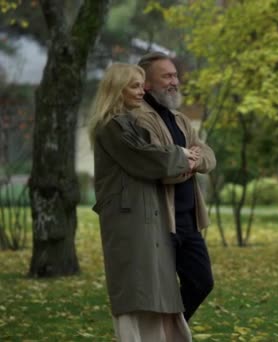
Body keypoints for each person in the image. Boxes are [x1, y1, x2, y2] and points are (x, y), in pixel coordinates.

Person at [88, 63, 200, 341]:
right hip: (128, 217)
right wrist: (183, 155)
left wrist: (182, 158)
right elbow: (144, 156)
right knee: (135, 287)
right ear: (117, 90)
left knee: (157, 285)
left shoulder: (128, 121)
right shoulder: (110, 126)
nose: (143, 91)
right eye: (135, 86)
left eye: (142, 85)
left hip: (145, 213)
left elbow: (151, 154)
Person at [133, 52, 216, 322]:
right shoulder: (140, 119)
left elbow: (209, 156)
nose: (174, 81)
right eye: (166, 76)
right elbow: (162, 169)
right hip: (159, 222)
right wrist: (186, 161)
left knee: (201, 282)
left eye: (175, 75)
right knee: (160, 291)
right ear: (146, 83)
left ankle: (166, 334)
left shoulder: (179, 119)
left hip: (188, 222)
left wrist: (188, 160)